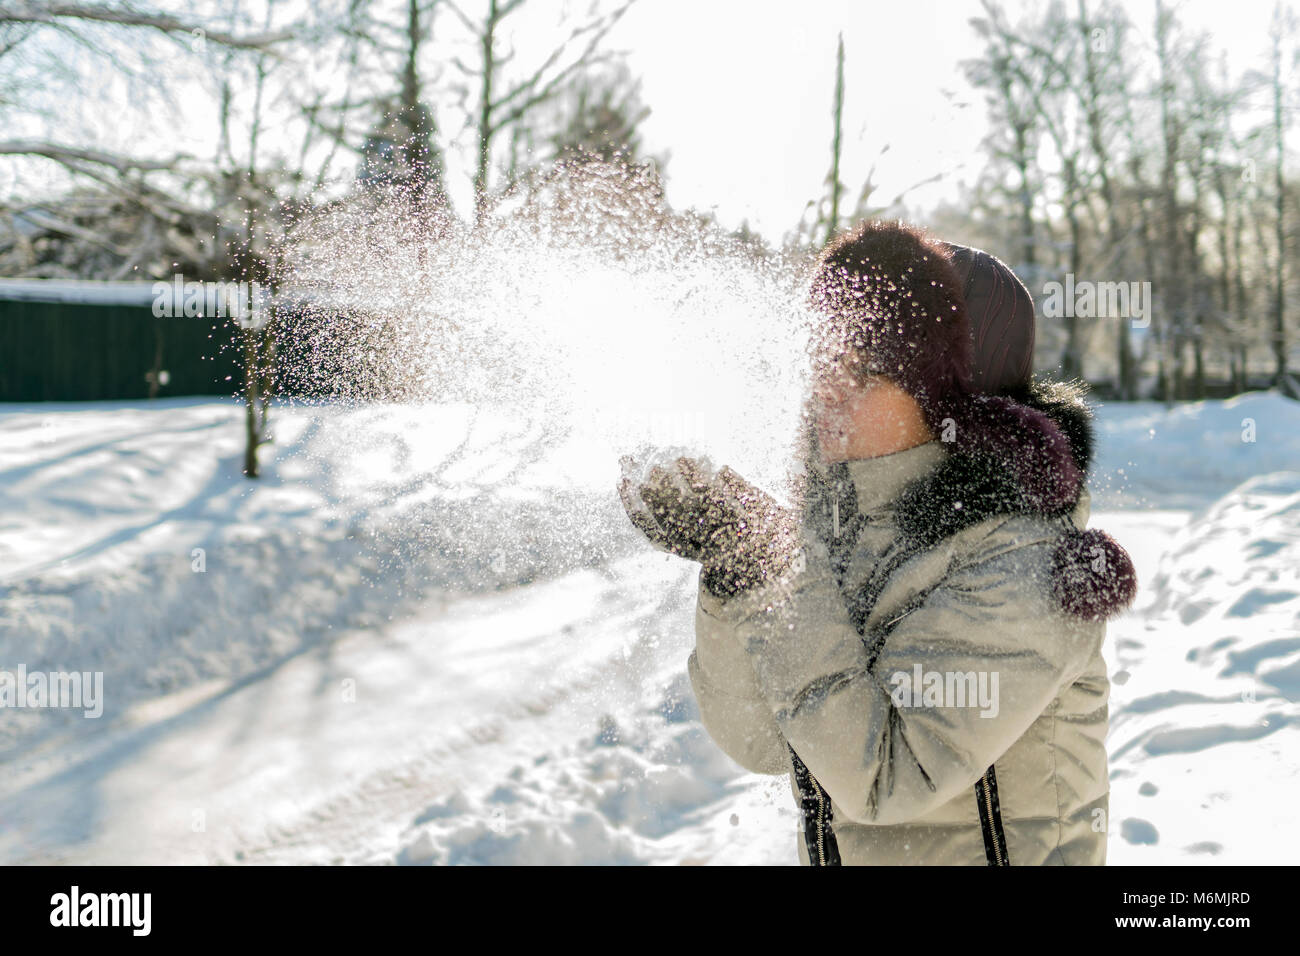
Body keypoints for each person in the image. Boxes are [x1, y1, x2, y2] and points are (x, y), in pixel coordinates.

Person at [618, 219, 1137, 865]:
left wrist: (771, 562)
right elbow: (761, 741)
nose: (824, 391)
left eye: (862, 372)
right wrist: (736, 564)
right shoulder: (839, 535)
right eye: (822, 360)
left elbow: (889, 778)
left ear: (955, 398)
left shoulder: (1023, 562)